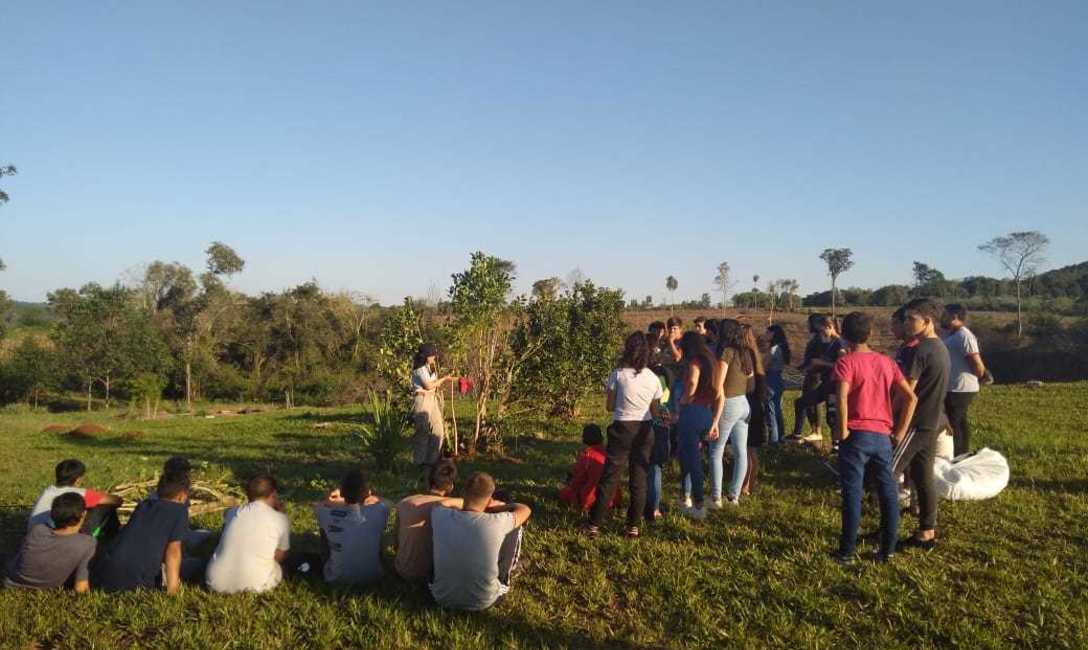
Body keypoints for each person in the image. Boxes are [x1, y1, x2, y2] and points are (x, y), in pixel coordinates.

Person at [832, 312, 917, 564]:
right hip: (882, 436)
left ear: (844, 335)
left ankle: (846, 552)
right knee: (888, 492)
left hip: (856, 434)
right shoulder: (886, 362)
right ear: (870, 334)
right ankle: (888, 549)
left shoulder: (846, 363)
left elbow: (842, 396)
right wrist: (900, 431)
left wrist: (843, 429)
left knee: (852, 492)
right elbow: (911, 397)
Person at [585, 332, 668, 538]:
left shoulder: (618, 374)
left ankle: (594, 525)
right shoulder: (652, 378)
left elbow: (609, 406)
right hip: (645, 430)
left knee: (610, 478)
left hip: (621, 429)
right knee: (639, 480)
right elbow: (655, 411)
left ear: (627, 349)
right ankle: (633, 526)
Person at [892, 299, 951, 551]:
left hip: (915, 423)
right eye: (905, 319)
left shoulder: (922, 350)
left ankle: (887, 532)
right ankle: (926, 530)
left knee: (886, 472)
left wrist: (896, 426)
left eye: (911, 319)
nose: (906, 324)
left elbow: (907, 393)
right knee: (922, 475)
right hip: (932, 422)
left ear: (927, 322)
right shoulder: (940, 348)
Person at [430, 472, 532, 611]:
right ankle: (504, 578)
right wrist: (496, 507)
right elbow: (525, 510)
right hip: (483, 601)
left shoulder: (439, 514)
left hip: (441, 596)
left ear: (463, 492)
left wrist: (466, 501)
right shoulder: (498, 521)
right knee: (516, 527)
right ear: (489, 498)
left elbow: (441, 503)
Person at [94, 474, 193, 594]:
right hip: (139, 583)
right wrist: (172, 589)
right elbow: (173, 551)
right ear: (182, 495)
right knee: (197, 565)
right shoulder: (179, 511)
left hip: (106, 576)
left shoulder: (144, 505)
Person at [205, 475, 291, 594]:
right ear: (273, 494)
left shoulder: (232, 512)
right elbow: (281, 556)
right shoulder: (280, 519)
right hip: (256, 585)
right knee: (281, 568)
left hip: (215, 583)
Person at [312, 468, 390, 585]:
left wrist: (334, 500)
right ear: (366, 492)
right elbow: (384, 501)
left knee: (325, 530)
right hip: (374, 576)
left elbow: (319, 504)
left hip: (335, 577)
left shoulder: (323, 512)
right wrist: (368, 497)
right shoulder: (380, 510)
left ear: (342, 492)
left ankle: (330, 561)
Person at [5, 492, 96, 592]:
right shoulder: (88, 543)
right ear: (83, 514)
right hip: (48, 588)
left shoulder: (38, 530)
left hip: (12, 583)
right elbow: (81, 588)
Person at [708, 320, 753, 506]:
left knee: (715, 451)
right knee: (741, 451)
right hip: (744, 403)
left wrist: (715, 417)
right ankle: (734, 496)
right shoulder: (746, 353)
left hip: (729, 403)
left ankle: (716, 497)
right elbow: (751, 384)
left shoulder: (726, 352)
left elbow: (718, 387)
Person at [675, 331, 719, 519]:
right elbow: (718, 391)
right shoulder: (712, 361)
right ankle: (686, 496)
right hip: (706, 412)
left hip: (691, 412)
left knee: (692, 460)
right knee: (688, 455)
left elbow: (692, 381)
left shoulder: (694, 362)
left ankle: (698, 503)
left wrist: (684, 400)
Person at [395, 459, 462, 580]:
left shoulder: (404, 502)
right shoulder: (452, 508)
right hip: (434, 575)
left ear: (428, 481)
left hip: (403, 569)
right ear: (451, 486)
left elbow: (396, 543)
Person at [27, 459, 122, 536]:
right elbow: (117, 501)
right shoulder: (79, 493)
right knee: (106, 506)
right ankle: (114, 535)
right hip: (58, 537)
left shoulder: (48, 491)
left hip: (34, 535)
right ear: (78, 480)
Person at [790, 314, 845, 441]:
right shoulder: (828, 342)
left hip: (835, 385)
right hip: (826, 383)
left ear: (829, 327)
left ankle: (836, 445)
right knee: (801, 402)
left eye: (822, 330)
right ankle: (800, 433)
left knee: (832, 417)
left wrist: (821, 363)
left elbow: (843, 365)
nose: (821, 334)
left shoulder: (839, 343)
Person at [941, 304, 987, 456]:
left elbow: (976, 362)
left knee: (956, 424)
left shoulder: (964, 336)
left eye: (945, 315)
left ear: (954, 317)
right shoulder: (954, 335)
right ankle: (961, 454)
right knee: (959, 422)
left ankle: (959, 455)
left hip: (961, 388)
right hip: (954, 387)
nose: (942, 318)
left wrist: (980, 377)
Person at [411, 343, 456, 468]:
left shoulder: (430, 368)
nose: (434, 357)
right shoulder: (419, 369)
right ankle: (419, 463)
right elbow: (429, 385)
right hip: (423, 400)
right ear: (425, 356)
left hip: (432, 399)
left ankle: (432, 461)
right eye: (432, 355)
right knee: (423, 432)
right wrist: (444, 379)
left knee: (438, 431)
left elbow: (433, 385)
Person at [559, 424, 620, 512]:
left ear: (584, 439)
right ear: (601, 438)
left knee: (565, 493)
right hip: (613, 498)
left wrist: (569, 485)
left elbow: (578, 480)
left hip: (591, 499)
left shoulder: (587, 456)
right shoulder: (609, 453)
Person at [741, 324, 768, 495]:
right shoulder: (756, 354)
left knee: (746, 449)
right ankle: (751, 484)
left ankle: (744, 485)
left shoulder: (745, 356)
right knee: (752, 450)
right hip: (757, 404)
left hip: (748, 403)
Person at [764, 324, 791, 445]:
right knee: (777, 409)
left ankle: (774, 440)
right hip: (779, 378)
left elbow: (765, 365)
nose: (766, 335)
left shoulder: (773, 349)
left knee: (771, 410)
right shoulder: (782, 347)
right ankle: (781, 436)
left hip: (771, 379)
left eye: (767, 333)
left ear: (773, 333)